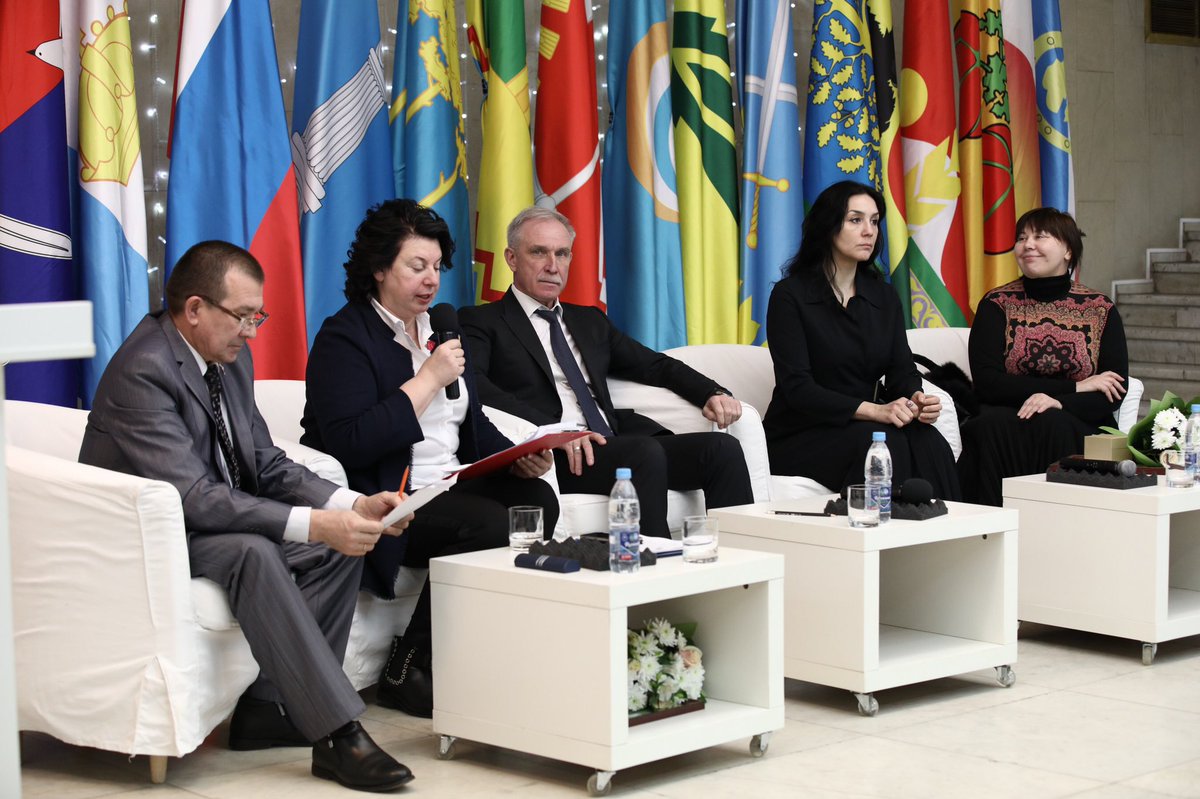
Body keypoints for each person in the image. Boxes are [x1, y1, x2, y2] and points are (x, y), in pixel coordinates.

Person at [79, 241, 414, 792]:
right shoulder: (144, 369)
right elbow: (193, 496)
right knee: (254, 551)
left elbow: (264, 461)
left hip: (205, 523)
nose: (252, 332)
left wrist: (348, 504)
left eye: (258, 317)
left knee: (338, 546)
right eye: (242, 316)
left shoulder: (227, 358)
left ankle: (271, 710)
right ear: (194, 309)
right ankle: (339, 734)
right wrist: (312, 523)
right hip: (150, 536)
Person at [302, 199, 558, 718]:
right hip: (390, 496)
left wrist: (518, 457)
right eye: (416, 266)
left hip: (448, 483)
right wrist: (427, 379)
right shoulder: (345, 337)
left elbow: (469, 423)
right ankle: (409, 667)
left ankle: (485, 652)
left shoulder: (440, 331)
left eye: (437, 267)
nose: (431, 281)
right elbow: (350, 440)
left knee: (536, 501)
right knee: (490, 523)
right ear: (379, 268)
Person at [460, 206, 754, 538]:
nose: (552, 266)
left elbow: (655, 365)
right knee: (642, 453)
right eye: (538, 252)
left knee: (721, 450)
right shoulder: (480, 321)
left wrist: (711, 392)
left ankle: (742, 560)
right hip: (558, 454)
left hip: (614, 443)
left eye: (562, 253)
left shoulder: (589, 321)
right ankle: (653, 565)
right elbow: (475, 385)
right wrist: (556, 433)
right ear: (512, 258)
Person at [763, 181, 961, 499]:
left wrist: (915, 398)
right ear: (828, 226)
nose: (869, 231)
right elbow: (798, 389)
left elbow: (901, 371)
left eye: (874, 221)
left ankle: (947, 528)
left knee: (930, 441)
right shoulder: (790, 296)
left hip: (865, 425)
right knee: (884, 443)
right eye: (855, 220)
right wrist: (875, 411)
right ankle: (875, 529)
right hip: (802, 431)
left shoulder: (883, 297)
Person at [958, 208, 1129, 505]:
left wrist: (1059, 402)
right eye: (1021, 238)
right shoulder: (997, 303)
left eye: (1040, 236)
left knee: (1054, 422)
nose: (1028, 245)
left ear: (1068, 250)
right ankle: (991, 524)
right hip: (1007, 415)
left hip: (1076, 420)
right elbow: (987, 383)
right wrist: (1075, 387)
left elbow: (1113, 390)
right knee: (988, 427)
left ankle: (1056, 522)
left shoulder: (1100, 309)